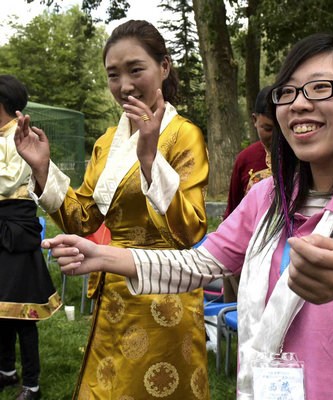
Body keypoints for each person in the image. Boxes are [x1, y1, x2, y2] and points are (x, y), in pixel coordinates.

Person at [43, 33, 333, 399]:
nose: (299, 103)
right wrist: (104, 256)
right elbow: (201, 263)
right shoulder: (269, 196)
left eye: (322, 88)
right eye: (287, 92)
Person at [14, 21, 211, 399]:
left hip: (166, 295)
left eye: (136, 70)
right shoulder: (107, 142)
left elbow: (191, 232)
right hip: (115, 296)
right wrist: (41, 169)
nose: (125, 86)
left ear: (164, 68)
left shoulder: (184, 134)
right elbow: (82, 218)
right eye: (113, 75)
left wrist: (151, 158)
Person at [0, 75, 61, 400]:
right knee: (1, 308)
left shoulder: (22, 136)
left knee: (23, 311)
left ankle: (32, 384)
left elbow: (12, 181)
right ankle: (7, 370)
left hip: (17, 227)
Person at [223, 85, 275, 219]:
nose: (276, 137)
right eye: (268, 128)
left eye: (281, 128)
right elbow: (233, 213)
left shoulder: (303, 158)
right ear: (254, 120)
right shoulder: (246, 159)